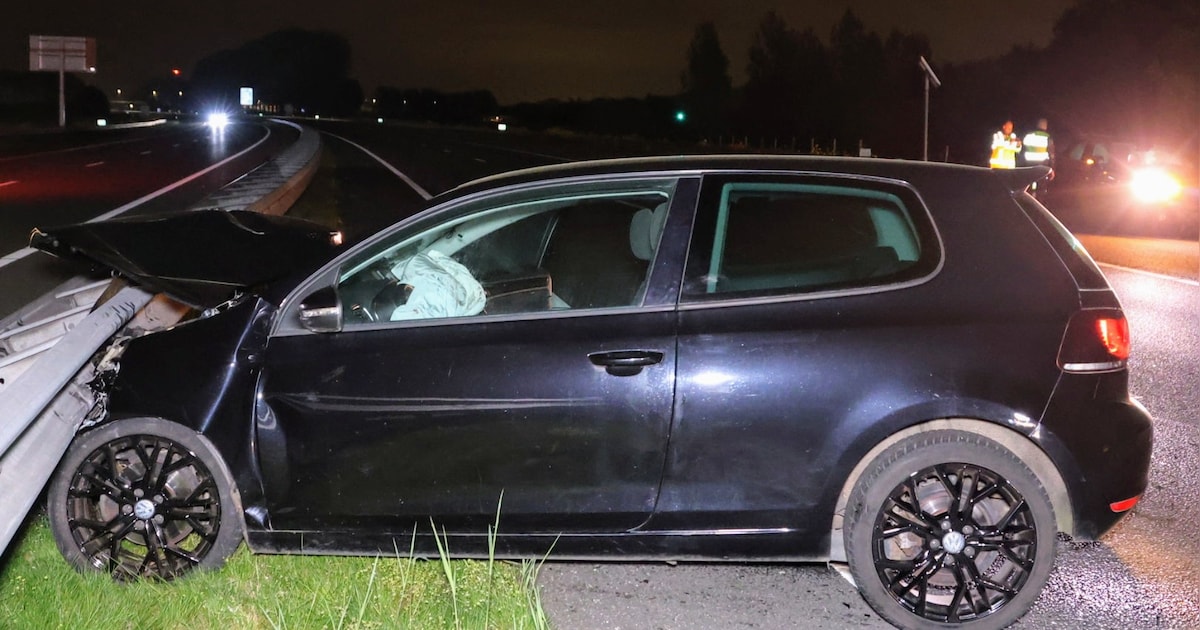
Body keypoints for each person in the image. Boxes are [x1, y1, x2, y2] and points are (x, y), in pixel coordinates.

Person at [1022, 118, 1055, 197]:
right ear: (1045, 127)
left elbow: (1022, 149)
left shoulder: (1028, 135)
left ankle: (1027, 203)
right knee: (1041, 188)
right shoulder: (1047, 137)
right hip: (1042, 165)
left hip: (1029, 165)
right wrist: (1051, 168)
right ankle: (1037, 204)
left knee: (1028, 186)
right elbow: (1051, 154)